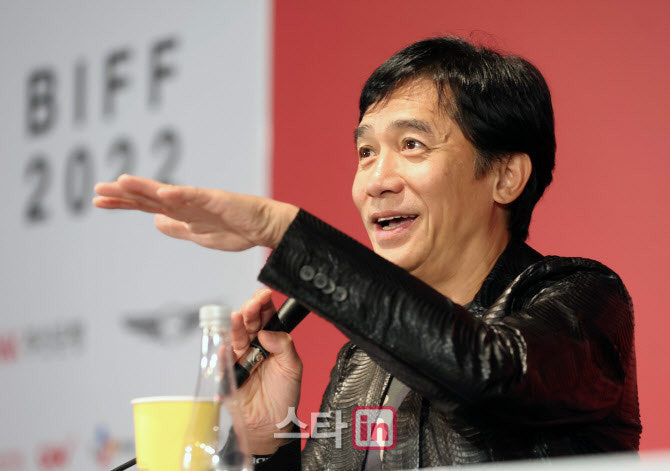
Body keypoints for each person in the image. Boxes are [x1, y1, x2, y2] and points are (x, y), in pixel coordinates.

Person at [94, 37, 641, 469]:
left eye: (411, 145)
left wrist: (282, 230)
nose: (376, 181)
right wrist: (266, 444)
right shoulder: (363, 360)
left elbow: (485, 376)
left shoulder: (583, 300)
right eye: (365, 151)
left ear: (505, 176)